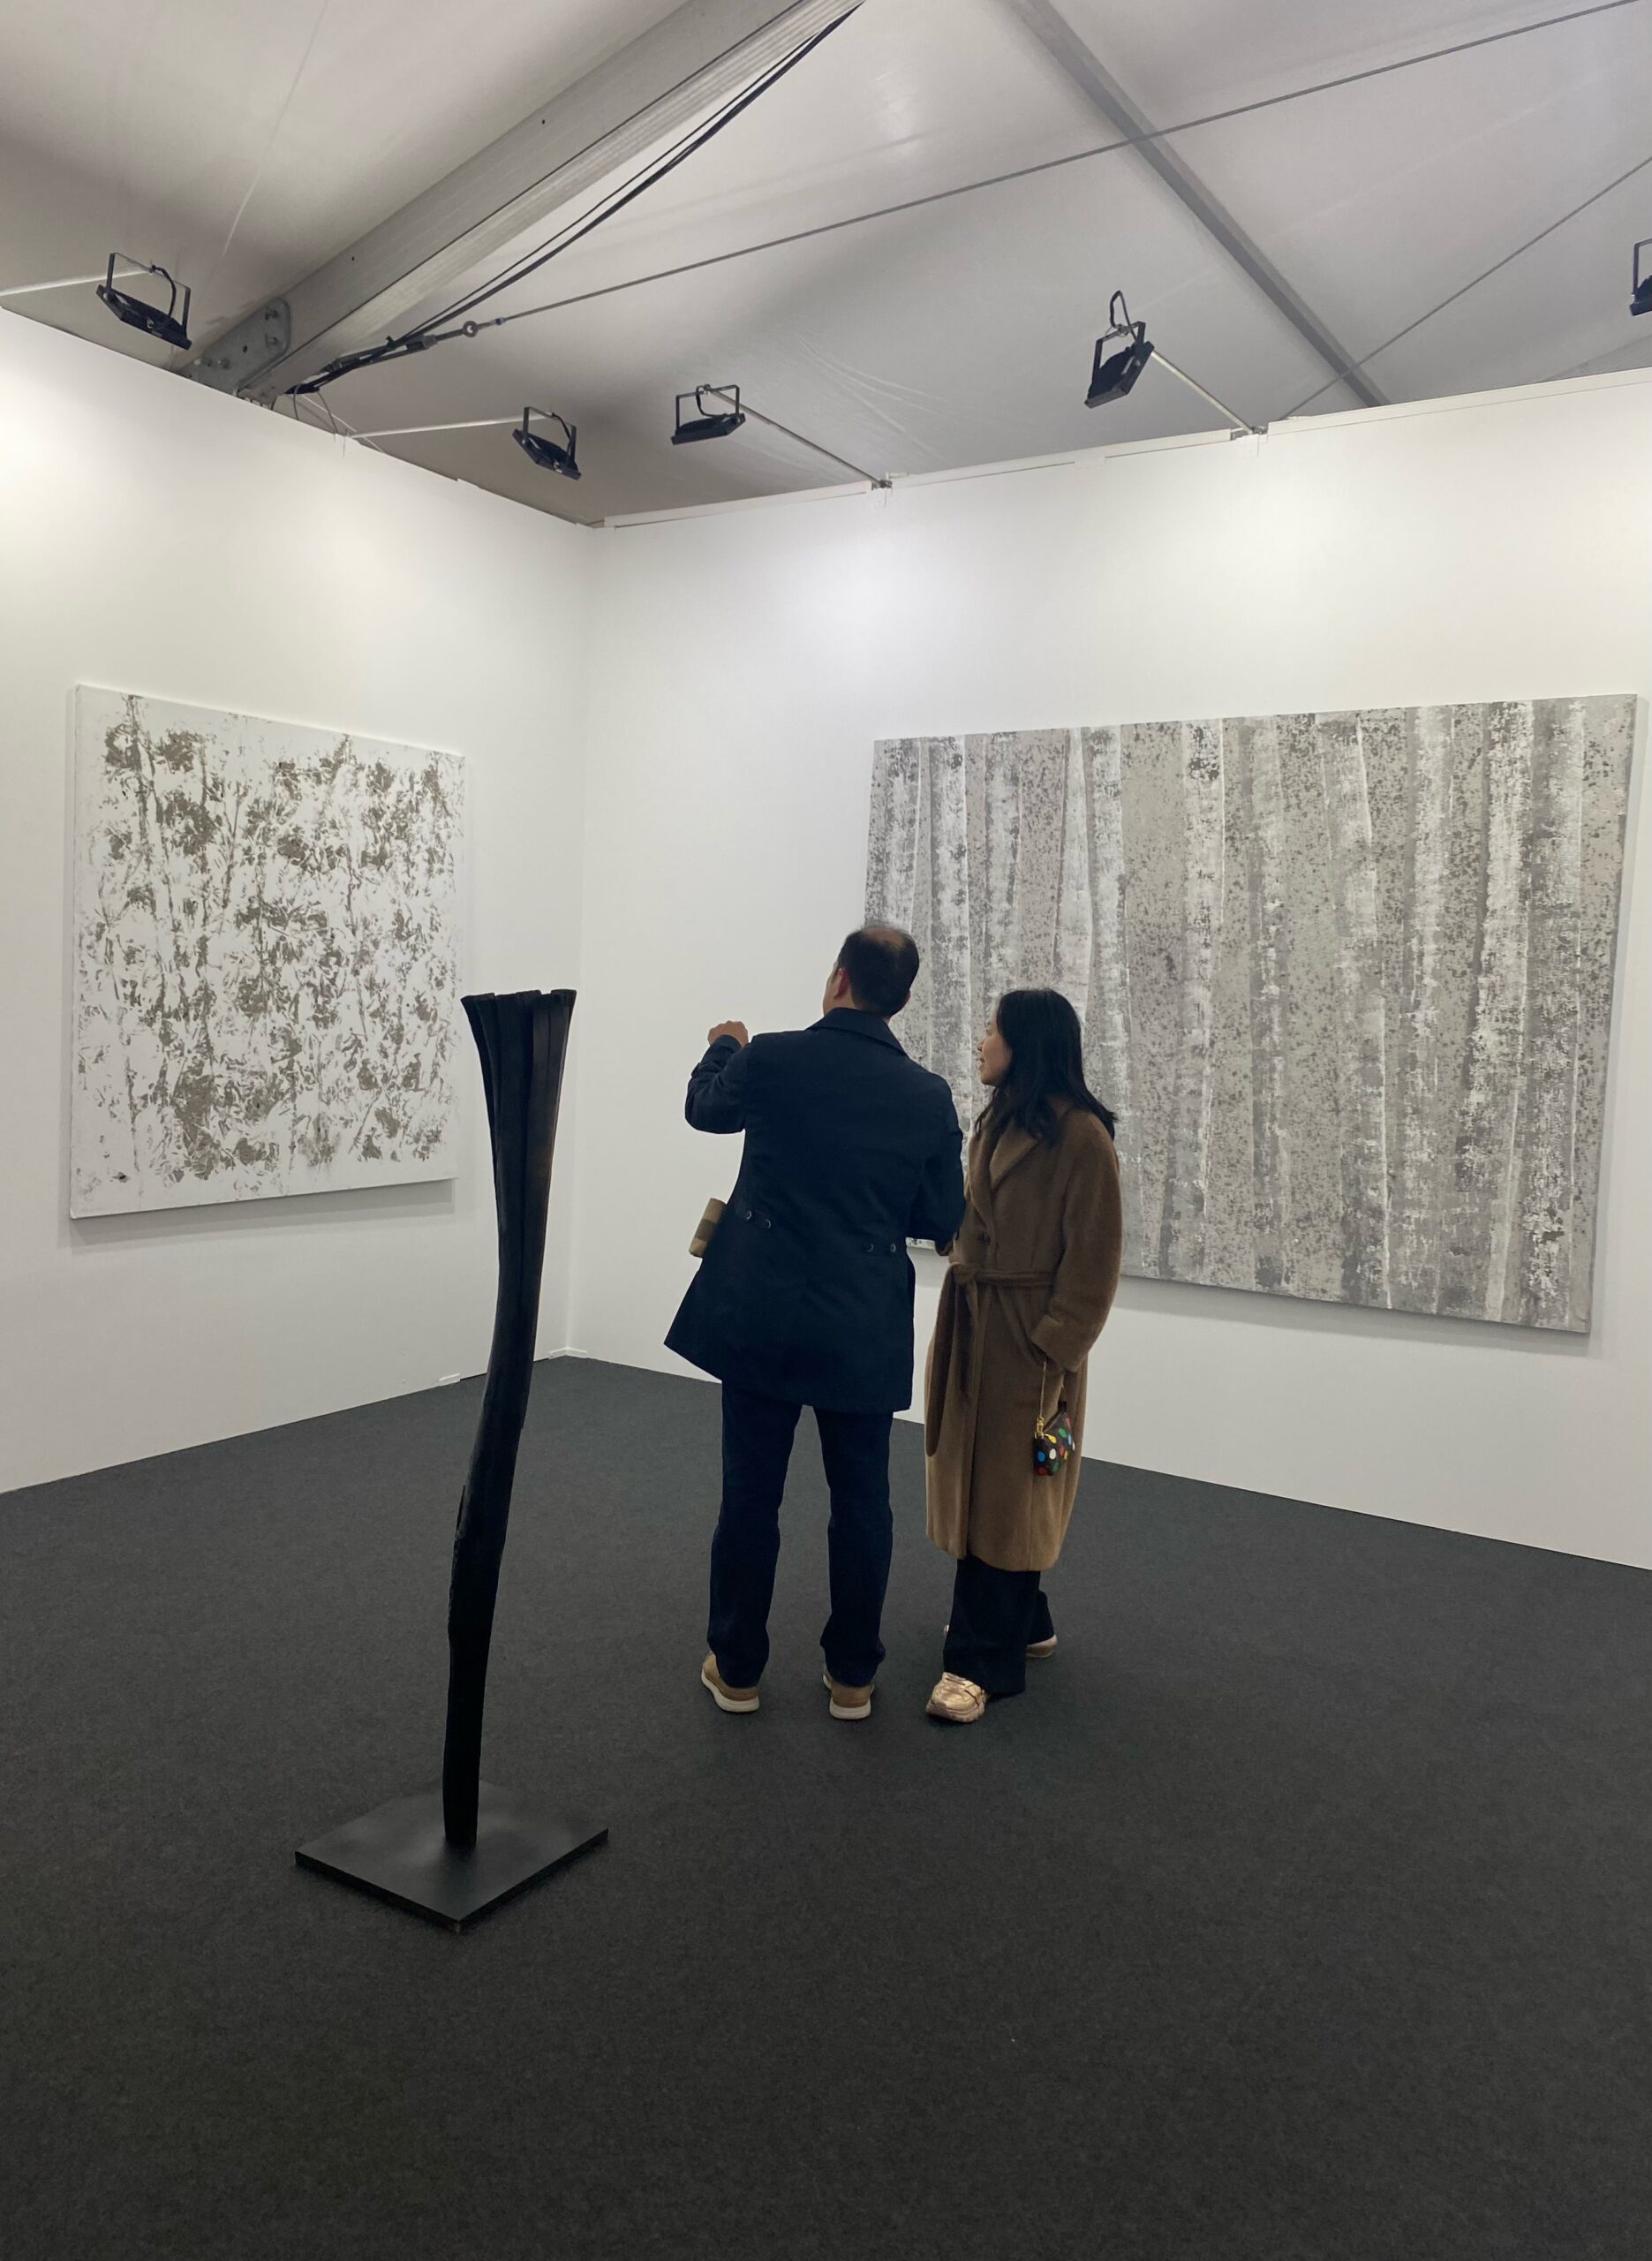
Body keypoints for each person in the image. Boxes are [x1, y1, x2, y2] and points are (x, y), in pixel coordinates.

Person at [668, 926, 966, 1721]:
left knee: (750, 1494)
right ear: (902, 1000)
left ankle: (737, 1670)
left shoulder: (770, 1057)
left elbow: (704, 1109)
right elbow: (941, 1215)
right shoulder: (927, 1095)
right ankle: (852, 1677)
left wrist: (723, 1047)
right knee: (862, 1501)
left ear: (837, 980)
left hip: (761, 1309)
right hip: (861, 1318)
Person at [923, 988, 1122, 1724]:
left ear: (1025, 1046)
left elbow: (1094, 1261)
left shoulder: (1083, 1138)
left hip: (1026, 1344)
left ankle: (980, 1663)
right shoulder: (999, 1118)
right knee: (988, 1484)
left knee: (1010, 1492)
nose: (979, 1043)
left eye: (991, 1031)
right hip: (974, 1326)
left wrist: (1052, 1348)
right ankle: (1025, 1618)